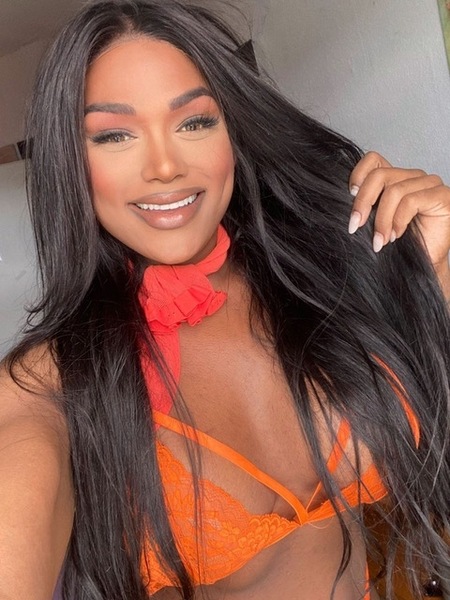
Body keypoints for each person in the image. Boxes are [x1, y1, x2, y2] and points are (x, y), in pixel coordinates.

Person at [0, 1, 449, 599]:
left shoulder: (323, 273)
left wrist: (433, 273)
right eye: (113, 134)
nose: (165, 166)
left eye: (194, 122)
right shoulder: (49, 385)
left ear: (233, 130)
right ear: (70, 162)